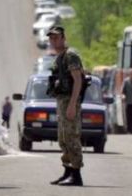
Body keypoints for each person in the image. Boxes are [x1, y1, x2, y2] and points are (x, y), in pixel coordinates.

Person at [47, 25, 84, 186]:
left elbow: (78, 80)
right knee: (63, 138)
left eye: (56, 37)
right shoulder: (59, 57)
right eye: (51, 38)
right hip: (61, 101)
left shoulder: (71, 55)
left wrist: (72, 105)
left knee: (71, 138)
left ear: (63, 38)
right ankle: (67, 171)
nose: (53, 40)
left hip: (69, 100)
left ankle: (76, 175)